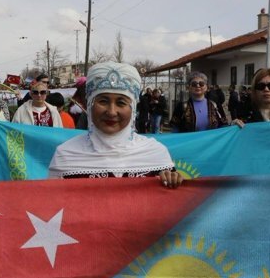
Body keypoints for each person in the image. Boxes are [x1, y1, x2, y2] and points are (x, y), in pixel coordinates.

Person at [48, 62, 182, 188]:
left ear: (133, 109)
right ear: (89, 106)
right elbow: (53, 205)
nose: (111, 112)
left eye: (121, 103)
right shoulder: (66, 155)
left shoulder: (155, 154)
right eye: (103, 101)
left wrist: (172, 181)